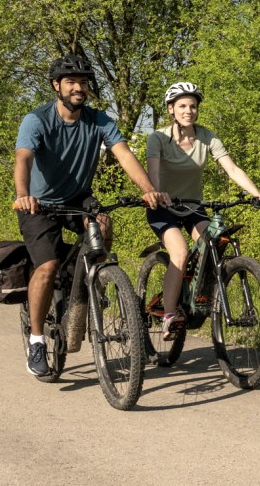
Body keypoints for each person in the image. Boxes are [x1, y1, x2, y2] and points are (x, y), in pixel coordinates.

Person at [12, 55, 167, 377]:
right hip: (39, 204)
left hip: (77, 197)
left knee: (104, 223)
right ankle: (37, 340)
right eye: (70, 82)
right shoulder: (37, 120)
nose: (78, 87)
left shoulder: (98, 120)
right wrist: (23, 195)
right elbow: (24, 158)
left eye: (83, 82)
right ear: (57, 86)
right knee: (47, 266)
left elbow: (123, 154)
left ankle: (89, 287)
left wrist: (148, 188)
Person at [144, 81, 260, 339]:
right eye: (182, 105)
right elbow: (153, 173)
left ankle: (198, 295)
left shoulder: (207, 137)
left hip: (193, 207)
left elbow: (232, 169)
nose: (188, 110)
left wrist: (257, 194)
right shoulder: (158, 138)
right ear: (171, 109)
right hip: (163, 208)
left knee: (214, 243)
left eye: (193, 106)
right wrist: (159, 193)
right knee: (179, 253)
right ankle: (170, 315)